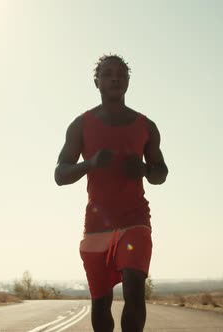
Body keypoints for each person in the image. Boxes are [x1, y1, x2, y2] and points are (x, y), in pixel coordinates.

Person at [54, 54, 169, 332]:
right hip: (97, 225)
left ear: (128, 81)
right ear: (97, 82)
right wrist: (90, 164)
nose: (115, 77)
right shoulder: (81, 125)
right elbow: (60, 174)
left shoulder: (146, 126)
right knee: (101, 301)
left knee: (134, 286)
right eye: (107, 73)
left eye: (120, 73)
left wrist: (143, 169)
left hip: (135, 220)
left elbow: (161, 173)